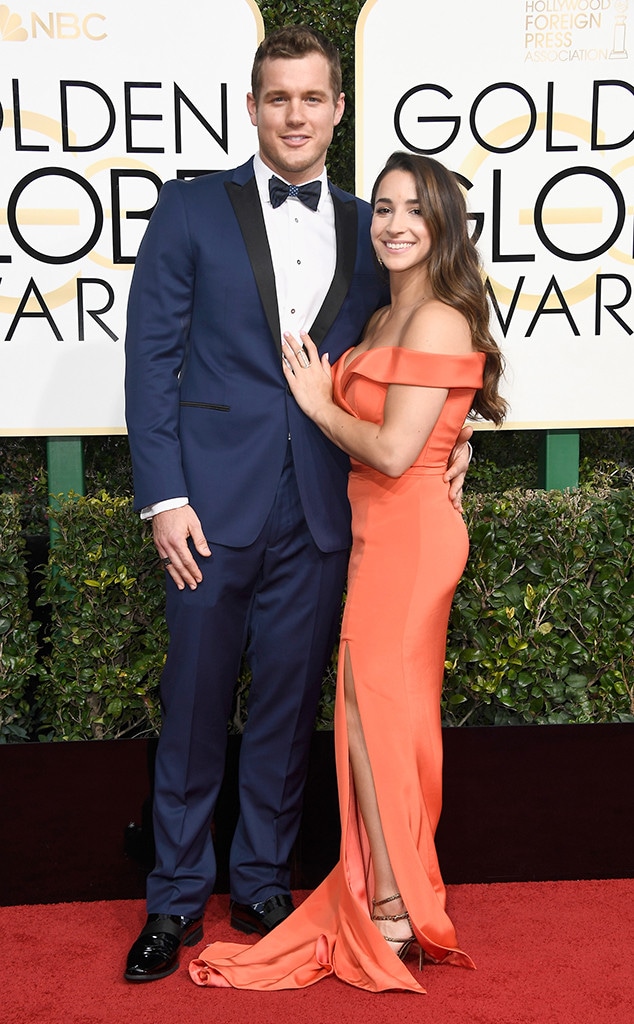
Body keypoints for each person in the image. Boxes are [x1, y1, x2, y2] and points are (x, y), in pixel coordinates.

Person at [124, 27, 471, 984]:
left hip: (326, 509)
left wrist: (459, 432)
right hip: (207, 509)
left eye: (312, 98)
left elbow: (420, 338)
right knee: (193, 705)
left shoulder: (373, 227)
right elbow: (149, 365)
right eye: (278, 97)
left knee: (285, 707)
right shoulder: (190, 210)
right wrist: (163, 497)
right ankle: (175, 898)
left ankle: (264, 880)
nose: (295, 115)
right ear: (251, 106)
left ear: (338, 110)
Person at [188, 151, 507, 994]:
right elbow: (425, 425)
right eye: (385, 209)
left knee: (384, 717)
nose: (395, 224)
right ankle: (389, 891)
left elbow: (400, 450)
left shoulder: (434, 317)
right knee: (366, 715)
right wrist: (455, 437)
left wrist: (319, 404)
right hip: (375, 535)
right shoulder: (381, 317)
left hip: (409, 539)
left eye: (416, 211)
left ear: (443, 226)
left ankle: (398, 902)